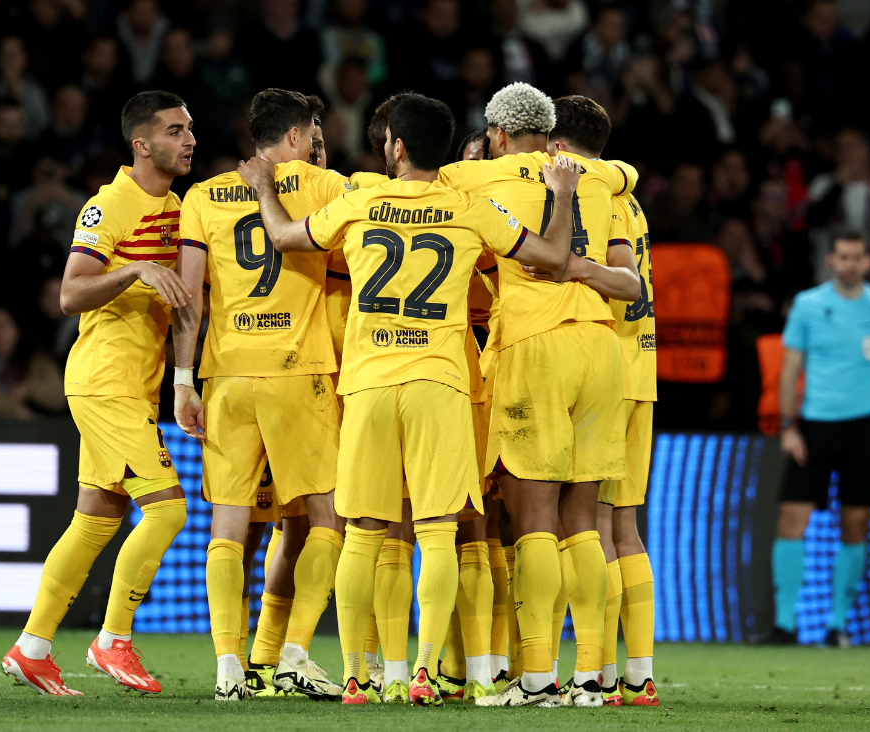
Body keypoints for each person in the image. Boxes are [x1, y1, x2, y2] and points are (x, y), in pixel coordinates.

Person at [239, 92, 583, 707]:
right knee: (436, 533)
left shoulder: (361, 198)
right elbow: (554, 257)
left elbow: (287, 237)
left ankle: (358, 677)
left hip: (369, 383)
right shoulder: (468, 205)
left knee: (365, 531)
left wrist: (265, 185)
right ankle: (425, 672)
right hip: (440, 383)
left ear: (395, 146)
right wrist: (561, 195)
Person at [435, 82, 639, 708]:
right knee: (585, 522)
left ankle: (535, 676)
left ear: (495, 133)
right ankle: (593, 678)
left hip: (534, 347)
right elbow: (627, 279)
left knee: (534, 522)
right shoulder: (599, 180)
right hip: (602, 348)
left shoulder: (469, 179)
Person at [1, 90, 195, 697]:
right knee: (167, 508)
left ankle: (32, 647)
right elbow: (69, 294)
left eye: (189, 129)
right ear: (141, 145)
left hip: (137, 384)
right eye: (174, 131)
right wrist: (135, 270)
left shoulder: (178, 203)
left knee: (96, 518)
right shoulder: (108, 205)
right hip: (105, 379)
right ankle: (113, 639)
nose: (189, 139)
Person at [172, 88, 349, 703]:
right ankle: (295, 652)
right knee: (327, 517)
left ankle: (228, 665)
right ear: (298, 137)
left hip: (226, 379)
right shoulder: (328, 188)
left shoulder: (201, 197)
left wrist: (183, 380)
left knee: (227, 527)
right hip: (299, 374)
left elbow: (188, 298)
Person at [545, 95, 659, 707]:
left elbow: (613, 274)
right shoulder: (627, 193)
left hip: (606, 365)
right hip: (642, 367)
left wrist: (567, 268)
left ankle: (601, 673)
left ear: (559, 146)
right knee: (624, 526)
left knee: (589, 526)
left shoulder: (591, 189)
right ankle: (637, 673)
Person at [757, 228, 870, 649]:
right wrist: (788, 426)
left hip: (866, 427)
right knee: (791, 520)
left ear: (868, 262)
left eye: (857, 257)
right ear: (830, 261)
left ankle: (838, 626)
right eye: (843, 256)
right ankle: (785, 625)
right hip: (814, 426)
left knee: (856, 524)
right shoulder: (809, 306)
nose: (850, 264)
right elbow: (790, 370)